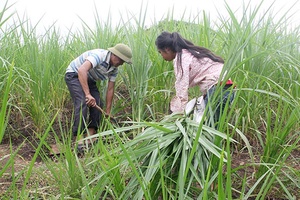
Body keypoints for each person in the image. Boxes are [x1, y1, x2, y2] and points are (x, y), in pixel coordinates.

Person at [155, 31, 235, 126]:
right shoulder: (190, 53)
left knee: (209, 130)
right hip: (227, 89)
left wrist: (177, 115)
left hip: (217, 91)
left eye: (160, 52)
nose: (162, 56)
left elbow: (182, 88)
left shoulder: (181, 58)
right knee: (213, 127)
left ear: (167, 49)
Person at [65, 43, 132, 151]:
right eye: (121, 61)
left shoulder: (114, 69)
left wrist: (108, 111)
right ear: (114, 55)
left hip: (89, 79)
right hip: (74, 74)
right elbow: (82, 70)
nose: (121, 64)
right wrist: (87, 94)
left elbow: (110, 89)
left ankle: (91, 134)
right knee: (82, 101)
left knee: (98, 103)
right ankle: (78, 137)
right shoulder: (98, 56)